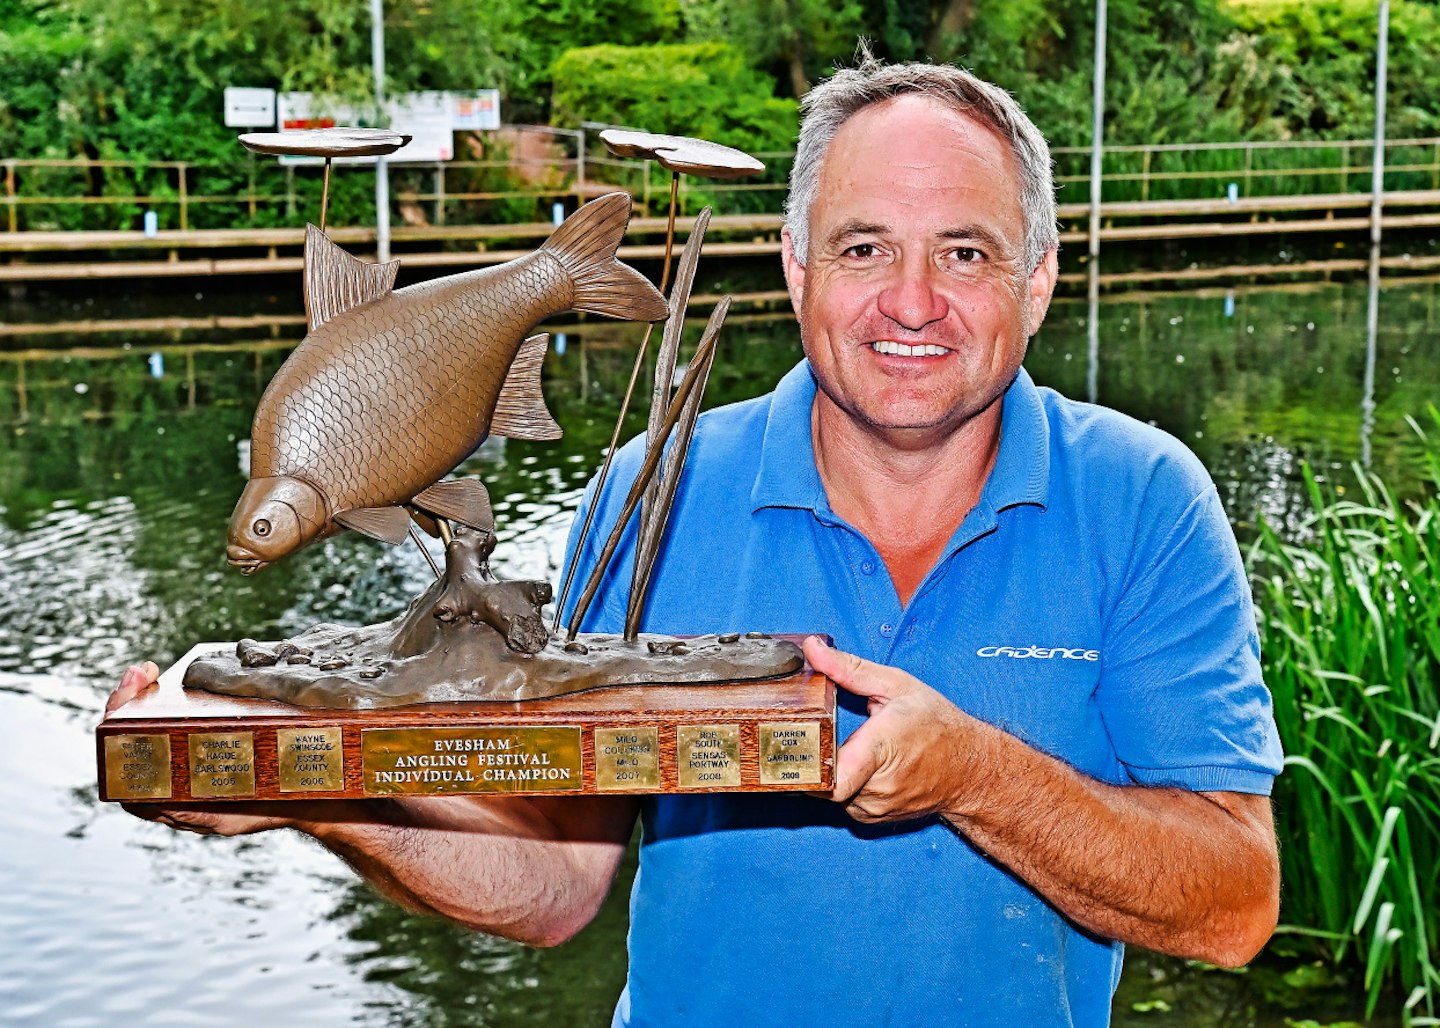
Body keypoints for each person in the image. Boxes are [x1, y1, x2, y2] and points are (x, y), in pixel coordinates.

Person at [110, 54, 1282, 1026]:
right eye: (865, 245)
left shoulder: (1145, 498)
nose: (912, 300)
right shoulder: (649, 485)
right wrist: (312, 782)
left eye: (965, 252)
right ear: (796, 268)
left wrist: (976, 776)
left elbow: (1234, 903)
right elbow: (556, 882)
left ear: (1037, 280)